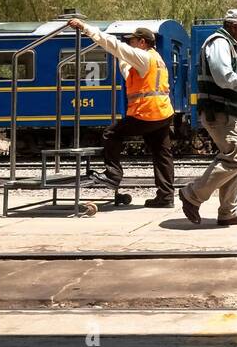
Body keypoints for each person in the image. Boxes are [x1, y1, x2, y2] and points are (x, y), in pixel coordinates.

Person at [179, 8, 237, 226]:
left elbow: (229, 82)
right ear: (233, 26)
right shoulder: (219, 43)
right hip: (220, 111)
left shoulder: (230, 45)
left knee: (235, 161)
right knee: (236, 158)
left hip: (231, 111)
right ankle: (191, 194)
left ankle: (228, 211)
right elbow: (223, 77)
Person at [65, 18, 175, 208]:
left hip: (146, 113)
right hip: (163, 114)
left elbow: (115, 45)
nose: (129, 44)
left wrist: (86, 28)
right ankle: (166, 197)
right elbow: (126, 66)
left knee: (111, 134)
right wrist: (119, 56)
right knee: (162, 154)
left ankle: (113, 175)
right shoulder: (157, 59)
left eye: (132, 42)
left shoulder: (143, 57)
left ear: (142, 42)